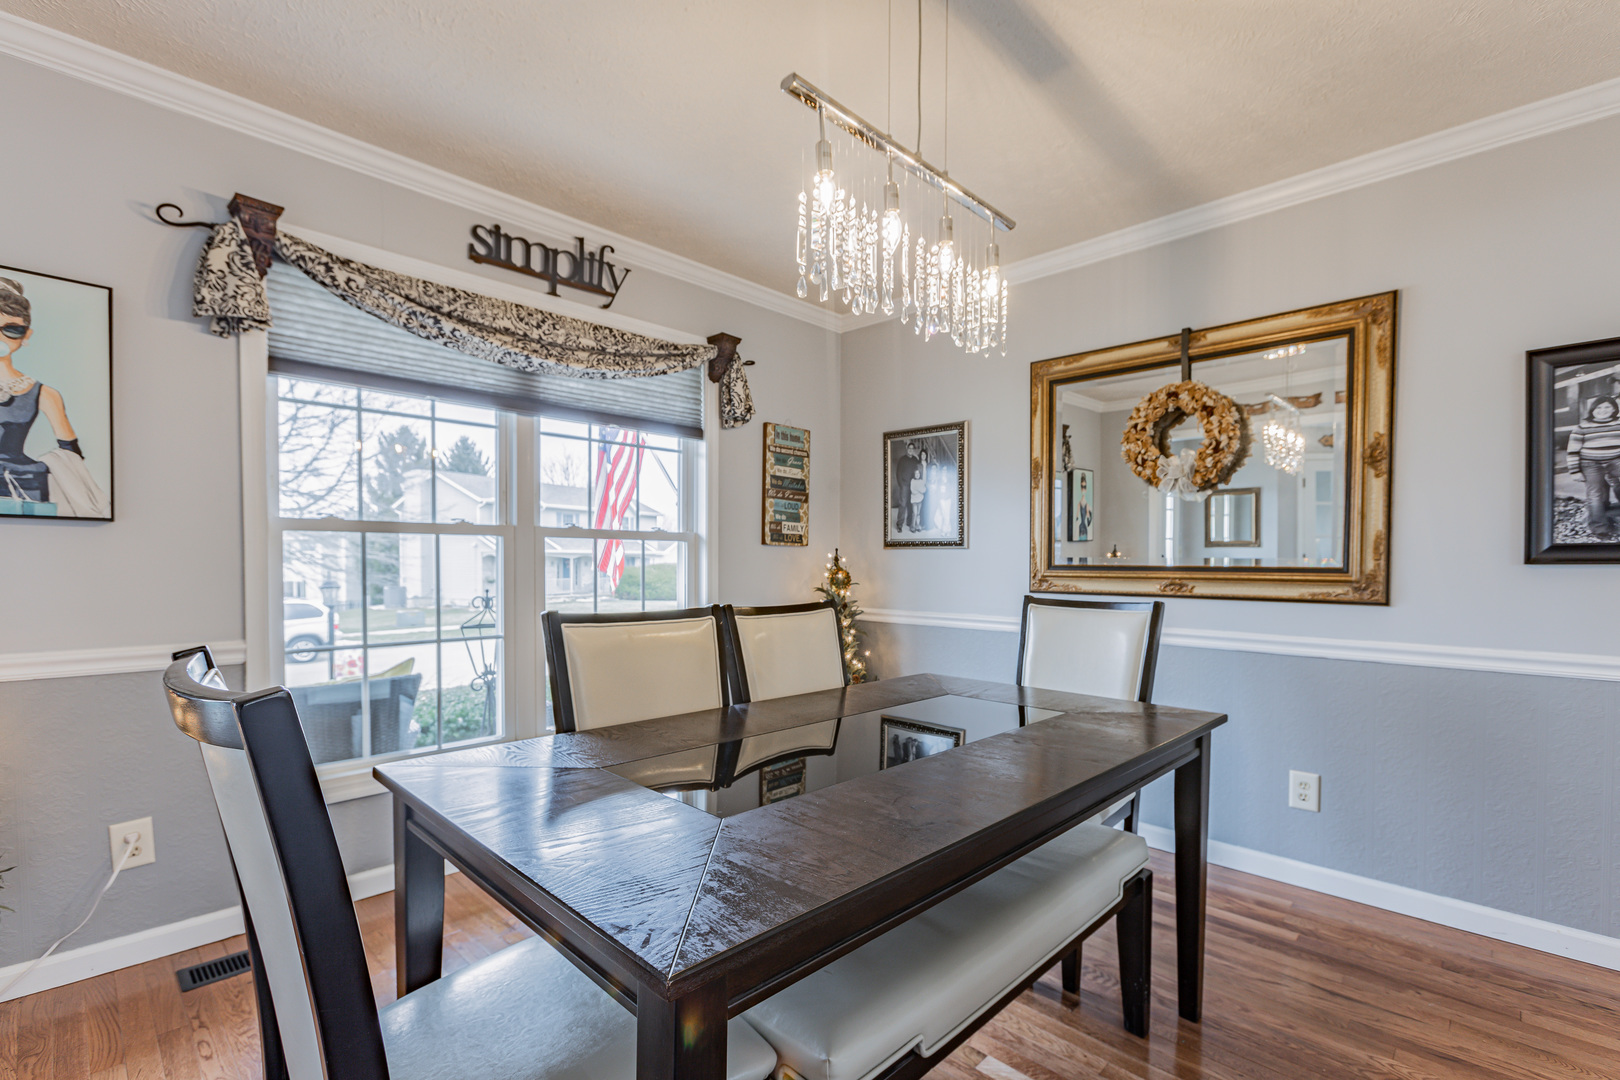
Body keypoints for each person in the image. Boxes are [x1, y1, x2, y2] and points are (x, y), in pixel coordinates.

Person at [0, 278, 106, 516]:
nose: (2, 338)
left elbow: (71, 453)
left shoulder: (44, 393)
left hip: (27, 488)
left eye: (11, 329)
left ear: (26, 335)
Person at [1568, 395, 1620, 538]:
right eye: (1599, 407)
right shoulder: (1581, 427)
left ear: (1614, 409)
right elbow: (1573, 451)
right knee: (1595, 494)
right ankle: (1600, 528)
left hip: (1615, 460)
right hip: (1591, 464)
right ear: (1593, 410)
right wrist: (1575, 471)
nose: (1603, 410)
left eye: (1608, 407)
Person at [893, 439, 921, 533]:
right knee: (903, 504)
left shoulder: (915, 460)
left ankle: (909, 523)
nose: (911, 450)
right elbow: (898, 473)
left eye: (912, 449)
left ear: (913, 450)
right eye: (909, 448)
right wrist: (901, 485)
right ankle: (899, 525)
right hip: (904, 485)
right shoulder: (902, 459)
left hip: (912, 485)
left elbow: (917, 473)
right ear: (907, 449)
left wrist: (916, 485)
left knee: (910, 504)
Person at [910, 447, 929, 535]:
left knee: (923, 506)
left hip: (925, 485)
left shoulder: (928, 464)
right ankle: (914, 524)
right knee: (915, 511)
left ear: (926, 456)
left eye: (925, 454)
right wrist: (919, 489)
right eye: (922, 454)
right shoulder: (918, 465)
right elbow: (916, 476)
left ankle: (921, 524)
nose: (923, 456)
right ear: (920, 455)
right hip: (919, 485)